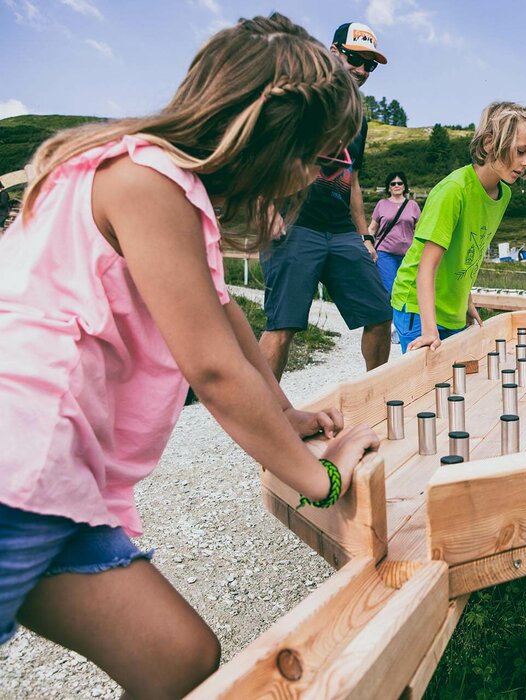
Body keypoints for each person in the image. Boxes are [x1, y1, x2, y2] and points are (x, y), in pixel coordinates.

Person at [0, 14, 380, 698]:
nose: (314, 175)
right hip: (15, 461)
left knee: (179, 658)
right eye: (315, 156)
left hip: (56, 478)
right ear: (269, 133)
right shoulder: (144, 182)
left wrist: (285, 412)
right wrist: (318, 479)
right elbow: (212, 368)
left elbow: (224, 315)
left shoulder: (168, 189)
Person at [258, 21, 392, 378]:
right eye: (354, 59)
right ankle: (265, 407)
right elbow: (264, 153)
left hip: (342, 231)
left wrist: (365, 235)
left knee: (380, 315)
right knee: (282, 326)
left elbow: (353, 178)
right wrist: (267, 209)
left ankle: (375, 396)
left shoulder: (358, 118)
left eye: (369, 65)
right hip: (294, 225)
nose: (361, 70)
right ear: (334, 52)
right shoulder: (301, 96)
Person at [390, 101, 526, 353]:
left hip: (452, 308)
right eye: (521, 151)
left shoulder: (503, 195)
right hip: (418, 306)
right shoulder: (454, 190)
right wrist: (429, 330)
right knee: (428, 376)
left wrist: (465, 300)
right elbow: (426, 267)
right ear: (489, 142)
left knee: (458, 376)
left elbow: (469, 252)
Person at [369, 171, 421, 293]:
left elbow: (419, 229)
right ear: (389, 187)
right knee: (389, 288)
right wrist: (368, 246)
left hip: (407, 255)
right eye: (393, 183)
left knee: (405, 289)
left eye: (399, 183)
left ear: (404, 186)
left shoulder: (412, 205)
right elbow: (372, 228)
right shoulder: (382, 204)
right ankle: (387, 307)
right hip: (385, 253)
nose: (396, 185)